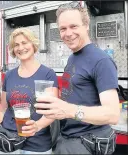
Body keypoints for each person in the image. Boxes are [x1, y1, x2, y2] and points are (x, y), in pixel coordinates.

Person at [34, 2, 120, 154]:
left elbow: (112, 114)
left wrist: (69, 110)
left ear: (86, 25)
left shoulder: (101, 61)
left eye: (74, 26)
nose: (68, 33)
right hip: (67, 139)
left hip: (85, 144)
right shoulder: (73, 58)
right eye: (63, 28)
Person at [0, 27, 59, 154]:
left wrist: (37, 126)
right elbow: (2, 108)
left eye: (24, 43)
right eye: (16, 45)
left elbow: (52, 112)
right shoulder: (9, 75)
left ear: (33, 44)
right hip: (8, 142)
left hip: (37, 145)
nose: (20, 48)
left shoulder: (47, 74)